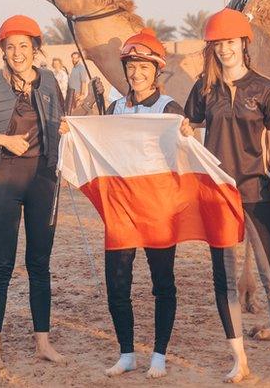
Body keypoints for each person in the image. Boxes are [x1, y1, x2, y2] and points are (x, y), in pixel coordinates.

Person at [183, 8, 270, 386]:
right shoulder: (204, 89)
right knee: (223, 279)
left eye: (230, 42)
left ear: (244, 43)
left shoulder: (266, 89)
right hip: (218, 191)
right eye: (218, 43)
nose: (225, 49)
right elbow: (187, 127)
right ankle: (239, 361)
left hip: (257, 191)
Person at [61, 28, 193, 378]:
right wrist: (72, 133)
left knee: (162, 283)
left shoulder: (170, 108)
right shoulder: (115, 107)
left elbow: (185, 154)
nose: (137, 73)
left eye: (144, 67)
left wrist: (186, 136)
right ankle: (127, 353)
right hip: (121, 209)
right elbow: (101, 148)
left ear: (156, 71)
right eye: (132, 67)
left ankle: (160, 354)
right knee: (117, 284)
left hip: (158, 208)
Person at [0, 15, 66, 368]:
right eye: (10, 46)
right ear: (2, 50)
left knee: (39, 264)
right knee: (1, 265)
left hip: (43, 179)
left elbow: (60, 126)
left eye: (24, 45)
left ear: (36, 49)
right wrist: (4, 139)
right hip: (4, 177)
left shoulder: (49, 82)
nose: (17, 52)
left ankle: (43, 343)